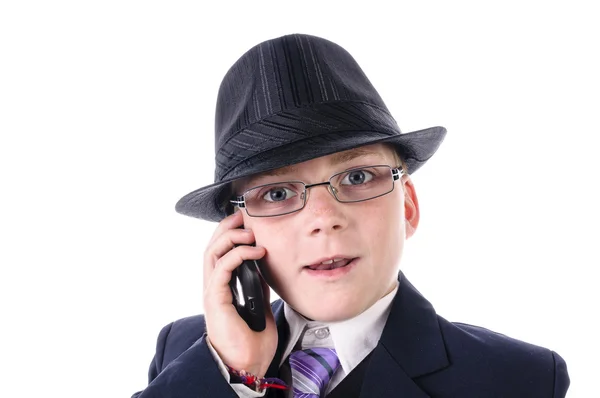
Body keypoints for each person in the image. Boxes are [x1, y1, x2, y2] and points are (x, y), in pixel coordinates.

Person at [131, 33, 570, 398]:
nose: (324, 218)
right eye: (278, 192)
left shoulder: (517, 379)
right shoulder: (190, 354)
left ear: (408, 206)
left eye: (358, 176)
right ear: (238, 232)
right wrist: (236, 373)